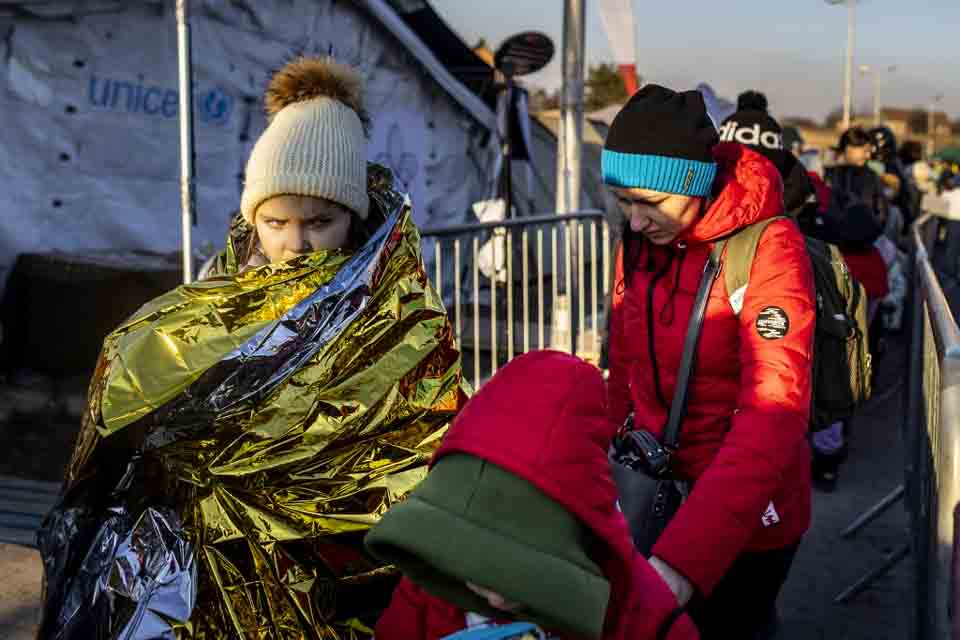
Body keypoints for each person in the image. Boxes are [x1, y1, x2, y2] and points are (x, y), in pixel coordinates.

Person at [37, 57, 466, 639]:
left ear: (353, 214)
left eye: (320, 220)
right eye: (275, 221)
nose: (294, 242)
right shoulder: (223, 287)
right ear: (253, 216)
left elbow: (418, 427)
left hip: (337, 559)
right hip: (217, 557)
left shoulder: (393, 303)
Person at [602, 85, 815, 638]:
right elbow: (621, 369)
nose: (636, 219)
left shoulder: (769, 248)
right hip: (655, 493)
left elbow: (774, 416)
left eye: (651, 202)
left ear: (693, 185)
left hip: (747, 517)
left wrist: (683, 559)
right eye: (622, 201)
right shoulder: (642, 240)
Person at [366, 351, 699, 640]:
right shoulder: (428, 576)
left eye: (519, 573)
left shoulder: (641, 613)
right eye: (477, 567)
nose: (495, 599)